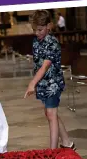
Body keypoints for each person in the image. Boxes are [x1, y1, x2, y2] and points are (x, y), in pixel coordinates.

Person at [24, 10, 75, 150]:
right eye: (34, 30)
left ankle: (52, 153)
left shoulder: (52, 42)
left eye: (40, 29)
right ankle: (67, 142)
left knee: (51, 114)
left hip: (53, 83)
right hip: (43, 83)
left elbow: (45, 66)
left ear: (49, 26)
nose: (37, 33)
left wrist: (32, 83)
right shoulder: (36, 41)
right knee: (49, 113)